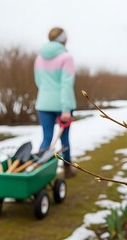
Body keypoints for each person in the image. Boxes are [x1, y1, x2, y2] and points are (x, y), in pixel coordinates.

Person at [34, 27, 76, 178]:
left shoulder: (39, 58)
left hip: (43, 104)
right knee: (64, 140)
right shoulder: (66, 58)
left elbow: (38, 82)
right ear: (63, 39)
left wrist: (47, 94)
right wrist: (65, 109)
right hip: (62, 105)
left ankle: (39, 173)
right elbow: (66, 84)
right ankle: (68, 170)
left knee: (46, 138)